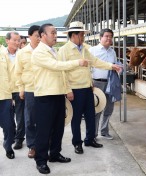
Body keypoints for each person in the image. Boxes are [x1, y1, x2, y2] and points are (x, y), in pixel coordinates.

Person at [31, 23, 89, 174]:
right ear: (43, 35)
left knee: (58, 128)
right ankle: (41, 160)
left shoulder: (53, 50)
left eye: (56, 33)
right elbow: (56, 66)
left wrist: (66, 90)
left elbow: (61, 73)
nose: (55, 36)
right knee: (44, 131)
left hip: (57, 94)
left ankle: (55, 154)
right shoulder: (39, 52)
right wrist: (77, 62)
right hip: (44, 96)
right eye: (52, 33)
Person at [58, 21, 122, 154]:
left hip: (88, 87)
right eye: (82, 35)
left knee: (90, 115)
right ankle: (77, 143)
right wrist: (67, 90)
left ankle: (90, 139)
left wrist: (111, 66)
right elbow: (62, 72)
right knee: (76, 118)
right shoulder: (64, 50)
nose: (83, 37)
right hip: (75, 89)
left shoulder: (84, 50)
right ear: (74, 35)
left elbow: (95, 62)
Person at [15, 25, 40, 159]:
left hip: (45, 89)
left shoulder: (46, 51)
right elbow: (18, 73)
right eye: (36, 36)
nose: (39, 38)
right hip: (30, 90)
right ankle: (32, 146)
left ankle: (43, 143)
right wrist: (21, 89)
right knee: (30, 119)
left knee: (45, 118)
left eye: (40, 36)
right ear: (29, 36)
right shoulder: (22, 53)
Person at [89, 28, 119, 140]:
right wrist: (90, 82)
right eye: (106, 36)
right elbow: (88, 67)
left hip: (110, 83)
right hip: (97, 83)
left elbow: (114, 66)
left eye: (111, 36)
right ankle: (94, 133)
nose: (109, 38)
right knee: (97, 108)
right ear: (100, 37)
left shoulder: (112, 52)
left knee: (109, 108)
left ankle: (104, 131)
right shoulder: (93, 51)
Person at [5, 32, 26, 150]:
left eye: (19, 40)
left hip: (19, 88)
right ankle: (11, 135)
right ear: (7, 40)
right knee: (7, 116)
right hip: (5, 89)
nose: (18, 43)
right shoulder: (2, 54)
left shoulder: (22, 54)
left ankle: (19, 139)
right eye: (15, 40)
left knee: (20, 115)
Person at [0, 50, 15, 159]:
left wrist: (12, 94)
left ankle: (8, 145)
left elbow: (12, 75)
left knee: (9, 125)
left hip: (4, 96)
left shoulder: (3, 54)